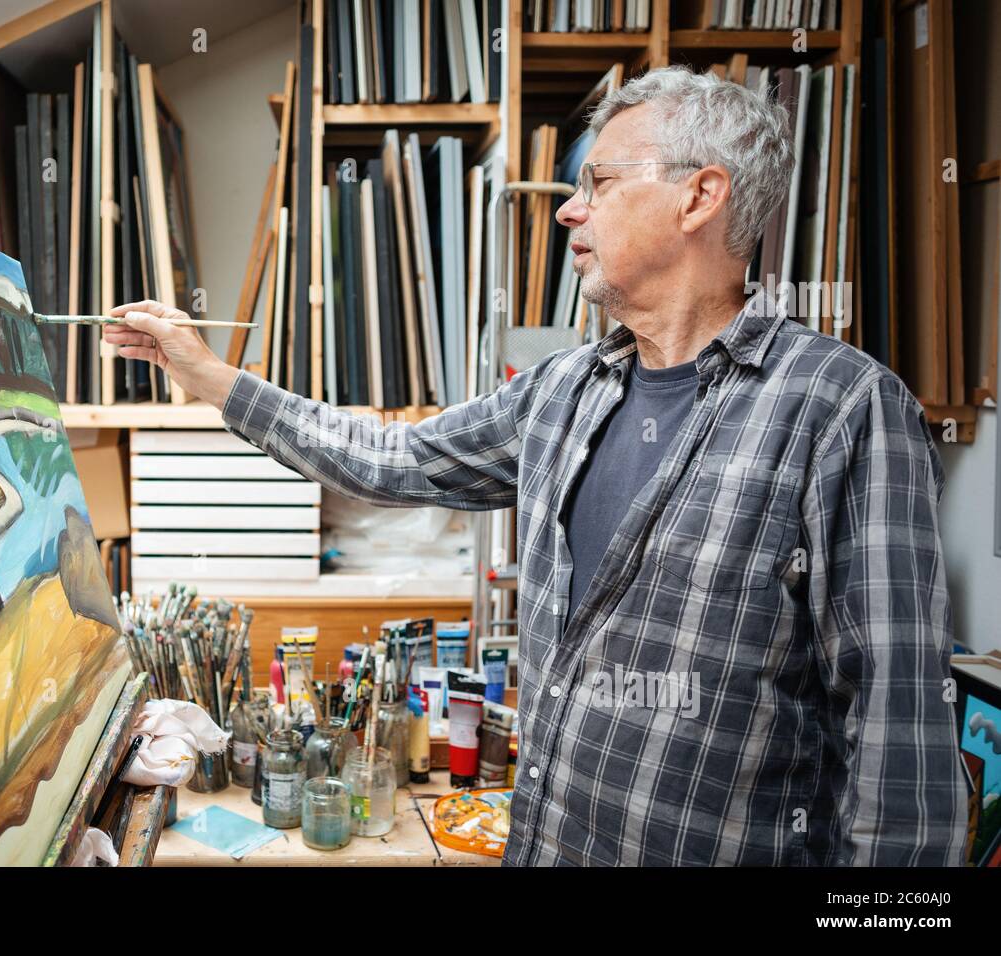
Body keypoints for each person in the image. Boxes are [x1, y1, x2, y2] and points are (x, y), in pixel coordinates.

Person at [103, 66, 967, 866]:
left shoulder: (841, 408)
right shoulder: (565, 391)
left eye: (599, 183)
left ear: (701, 195)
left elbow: (901, 742)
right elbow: (392, 459)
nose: (567, 211)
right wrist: (210, 378)